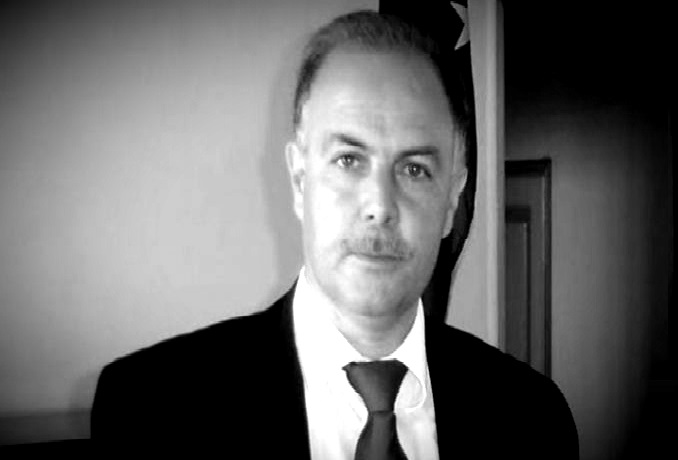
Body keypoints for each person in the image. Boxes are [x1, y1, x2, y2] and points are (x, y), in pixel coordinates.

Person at [91, 10, 579, 459]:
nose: (380, 206)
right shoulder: (149, 408)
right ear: (299, 180)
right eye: (348, 160)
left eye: (414, 169)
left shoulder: (535, 419)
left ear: (453, 198)